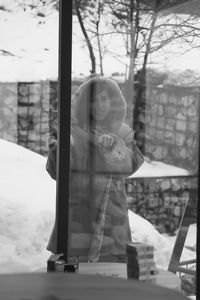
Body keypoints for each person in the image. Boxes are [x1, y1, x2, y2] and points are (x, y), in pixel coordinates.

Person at [46, 76, 144, 262]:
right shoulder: (71, 131)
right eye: (93, 100)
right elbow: (55, 172)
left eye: (104, 99)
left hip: (113, 217)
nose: (100, 105)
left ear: (113, 101)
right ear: (85, 104)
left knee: (112, 278)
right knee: (73, 278)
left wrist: (115, 148)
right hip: (79, 215)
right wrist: (60, 148)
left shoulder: (121, 131)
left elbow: (133, 164)